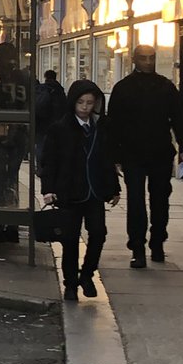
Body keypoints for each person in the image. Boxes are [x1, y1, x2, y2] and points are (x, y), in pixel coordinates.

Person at [106, 44, 183, 267]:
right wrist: (114, 155)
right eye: (143, 58)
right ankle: (138, 246)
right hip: (133, 154)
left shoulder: (165, 87)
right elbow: (114, 124)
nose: (148, 62)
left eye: (151, 58)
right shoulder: (123, 88)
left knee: (160, 200)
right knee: (136, 201)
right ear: (134, 60)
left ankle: (157, 241)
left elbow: (178, 119)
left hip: (160, 153)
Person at [40, 80, 120, 301]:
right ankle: (71, 284)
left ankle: (86, 274)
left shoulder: (100, 127)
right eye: (81, 102)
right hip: (69, 192)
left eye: (90, 103)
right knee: (70, 239)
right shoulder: (60, 128)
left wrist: (114, 188)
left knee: (98, 234)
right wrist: (48, 189)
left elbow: (107, 159)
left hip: (94, 191)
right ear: (73, 103)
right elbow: (49, 162)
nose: (85, 107)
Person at [0, 41, 32, 242]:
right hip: (19, 137)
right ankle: (10, 223)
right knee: (10, 178)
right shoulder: (25, 78)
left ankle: (2, 223)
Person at [34, 69, 68, 174]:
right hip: (55, 123)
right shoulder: (59, 90)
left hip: (41, 122)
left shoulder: (41, 89)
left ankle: (40, 168)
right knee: (54, 147)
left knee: (40, 145)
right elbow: (64, 108)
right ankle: (51, 168)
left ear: (45, 77)